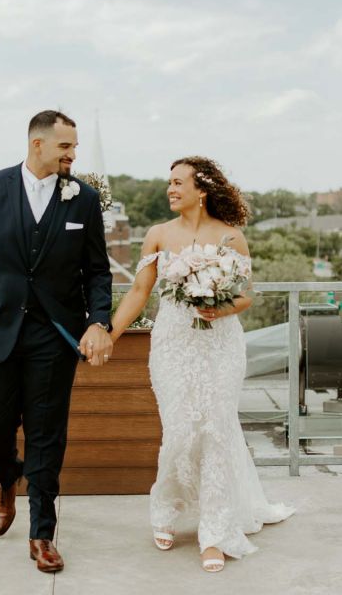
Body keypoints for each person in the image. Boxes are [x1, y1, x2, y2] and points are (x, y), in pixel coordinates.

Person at [0, 110, 114, 574]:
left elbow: (97, 269)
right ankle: (6, 475)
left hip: (54, 335)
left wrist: (99, 322)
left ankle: (42, 533)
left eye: (74, 147)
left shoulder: (84, 199)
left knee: (46, 434)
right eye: (65, 147)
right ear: (38, 145)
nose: (73, 154)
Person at [111, 156, 295, 573]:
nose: (170, 190)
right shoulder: (158, 235)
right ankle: (166, 510)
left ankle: (214, 532)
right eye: (169, 183)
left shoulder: (231, 237)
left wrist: (219, 305)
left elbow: (247, 295)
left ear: (202, 189)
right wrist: (111, 333)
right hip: (173, 343)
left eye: (178, 183)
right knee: (179, 431)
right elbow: (139, 292)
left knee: (215, 431)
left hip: (220, 345)